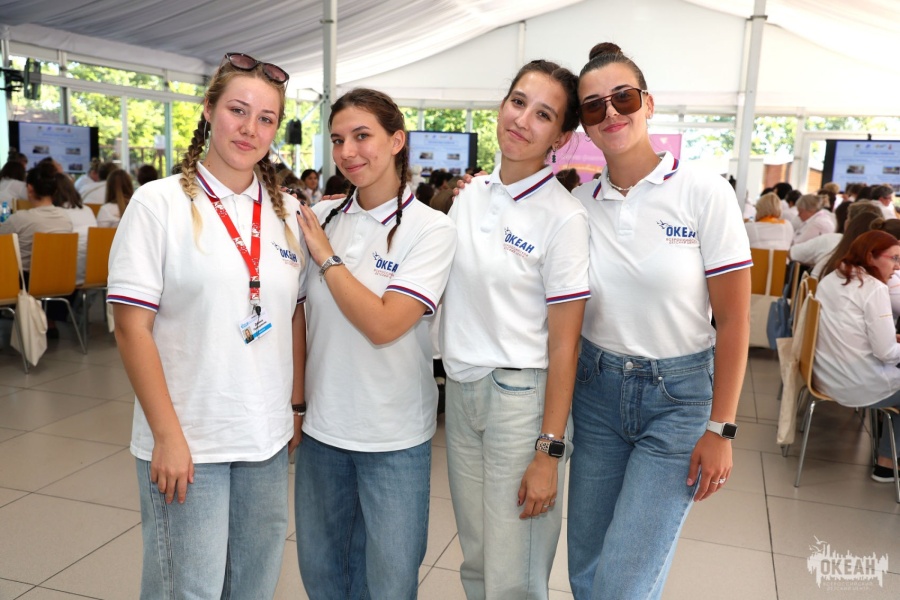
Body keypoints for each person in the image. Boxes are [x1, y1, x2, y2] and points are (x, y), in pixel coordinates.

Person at [107, 51, 306, 599]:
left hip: (265, 441)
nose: (250, 129)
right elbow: (130, 328)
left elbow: (293, 314)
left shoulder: (288, 213)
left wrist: (294, 409)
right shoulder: (159, 204)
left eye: (266, 118)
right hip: (190, 440)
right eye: (237, 110)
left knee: (253, 586)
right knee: (187, 588)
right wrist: (167, 436)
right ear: (208, 110)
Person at [566, 43, 751, 600]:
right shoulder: (578, 203)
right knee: (586, 569)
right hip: (596, 393)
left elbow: (735, 319)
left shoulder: (703, 192)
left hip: (678, 400)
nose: (610, 112)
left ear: (648, 103)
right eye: (594, 106)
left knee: (623, 581)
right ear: (584, 124)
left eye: (623, 97)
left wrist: (721, 429)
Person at [293, 88, 457, 600]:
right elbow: (295, 311)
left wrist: (327, 257)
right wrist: (296, 404)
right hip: (323, 430)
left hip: (394, 437)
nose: (348, 152)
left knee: (389, 583)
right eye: (338, 139)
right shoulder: (322, 216)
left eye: (362, 136)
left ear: (396, 141)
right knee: (324, 576)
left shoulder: (431, 229)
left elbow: (385, 324)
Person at [439, 59, 590, 599]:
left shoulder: (564, 217)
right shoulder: (470, 196)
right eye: (518, 102)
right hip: (462, 393)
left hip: (521, 403)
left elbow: (566, 345)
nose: (523, 120)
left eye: (544, 114)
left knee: (515, 576)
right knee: (478, 561)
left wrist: (549, 451)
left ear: (561, 138)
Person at [813, 230, 900, 482]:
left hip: (825, 375)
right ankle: (887, 464)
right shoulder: (874, 288)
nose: (897, 267)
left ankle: (887, 455)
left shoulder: (833, 278)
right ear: (871, 257)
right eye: (894, 258)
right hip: (856, 382)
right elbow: (886, 353)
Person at [0, 161, 73, 273]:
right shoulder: (66, 218)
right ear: (55, 190)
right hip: (58, 278)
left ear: (29, 189)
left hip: (23, 280)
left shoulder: (19, 219)